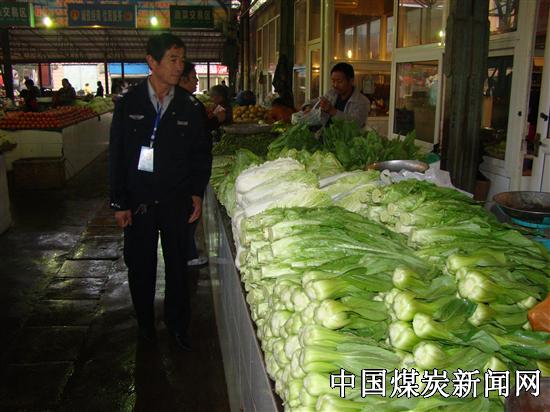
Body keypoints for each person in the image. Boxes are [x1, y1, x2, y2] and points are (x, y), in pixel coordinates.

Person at [109, 33, 212, 350]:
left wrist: (196, 192)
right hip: (139, 200)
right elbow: (117, 155)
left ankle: (178, 325)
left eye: (182, 59)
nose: (180, 66)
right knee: (140, 266)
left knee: (178, 267)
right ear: (152, 62)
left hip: (176, 199)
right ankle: (145, 326)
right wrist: (119, 202)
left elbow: (201, 155)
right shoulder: (129, 104)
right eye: (173, 59)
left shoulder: (190, 107)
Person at [178, 60, 213, 267]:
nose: (197, 81)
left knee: (184, 213)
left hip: (182, 170)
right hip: (187, 171)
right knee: (189, 212)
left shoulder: (180, 101)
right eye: (194, 78)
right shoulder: (189, 104)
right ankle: (187, 255)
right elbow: (200, 140)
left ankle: (184, 253)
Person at [318, 62, 370, 128]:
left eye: (339, 81)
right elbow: (316, 101)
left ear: (351, 81)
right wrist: (308, 106)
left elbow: (356, 124)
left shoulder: (362, 101)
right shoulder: (332, 93)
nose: (335, 85)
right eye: (333, 81)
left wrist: (332, 111)